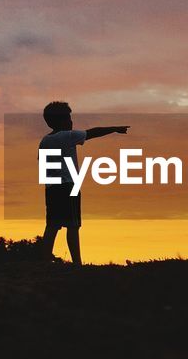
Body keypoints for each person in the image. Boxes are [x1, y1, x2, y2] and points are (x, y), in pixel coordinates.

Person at [38, 101, 128, 266]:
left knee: (52, 225)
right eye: (68, 118)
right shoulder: (68, 136)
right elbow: (93, 133)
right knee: (73, 225)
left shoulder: (44, 141)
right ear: (61, 120)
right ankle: (77, 263)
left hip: (51, 189)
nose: (71, 122)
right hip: (68, 186)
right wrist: (115, 128)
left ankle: (44, 260)